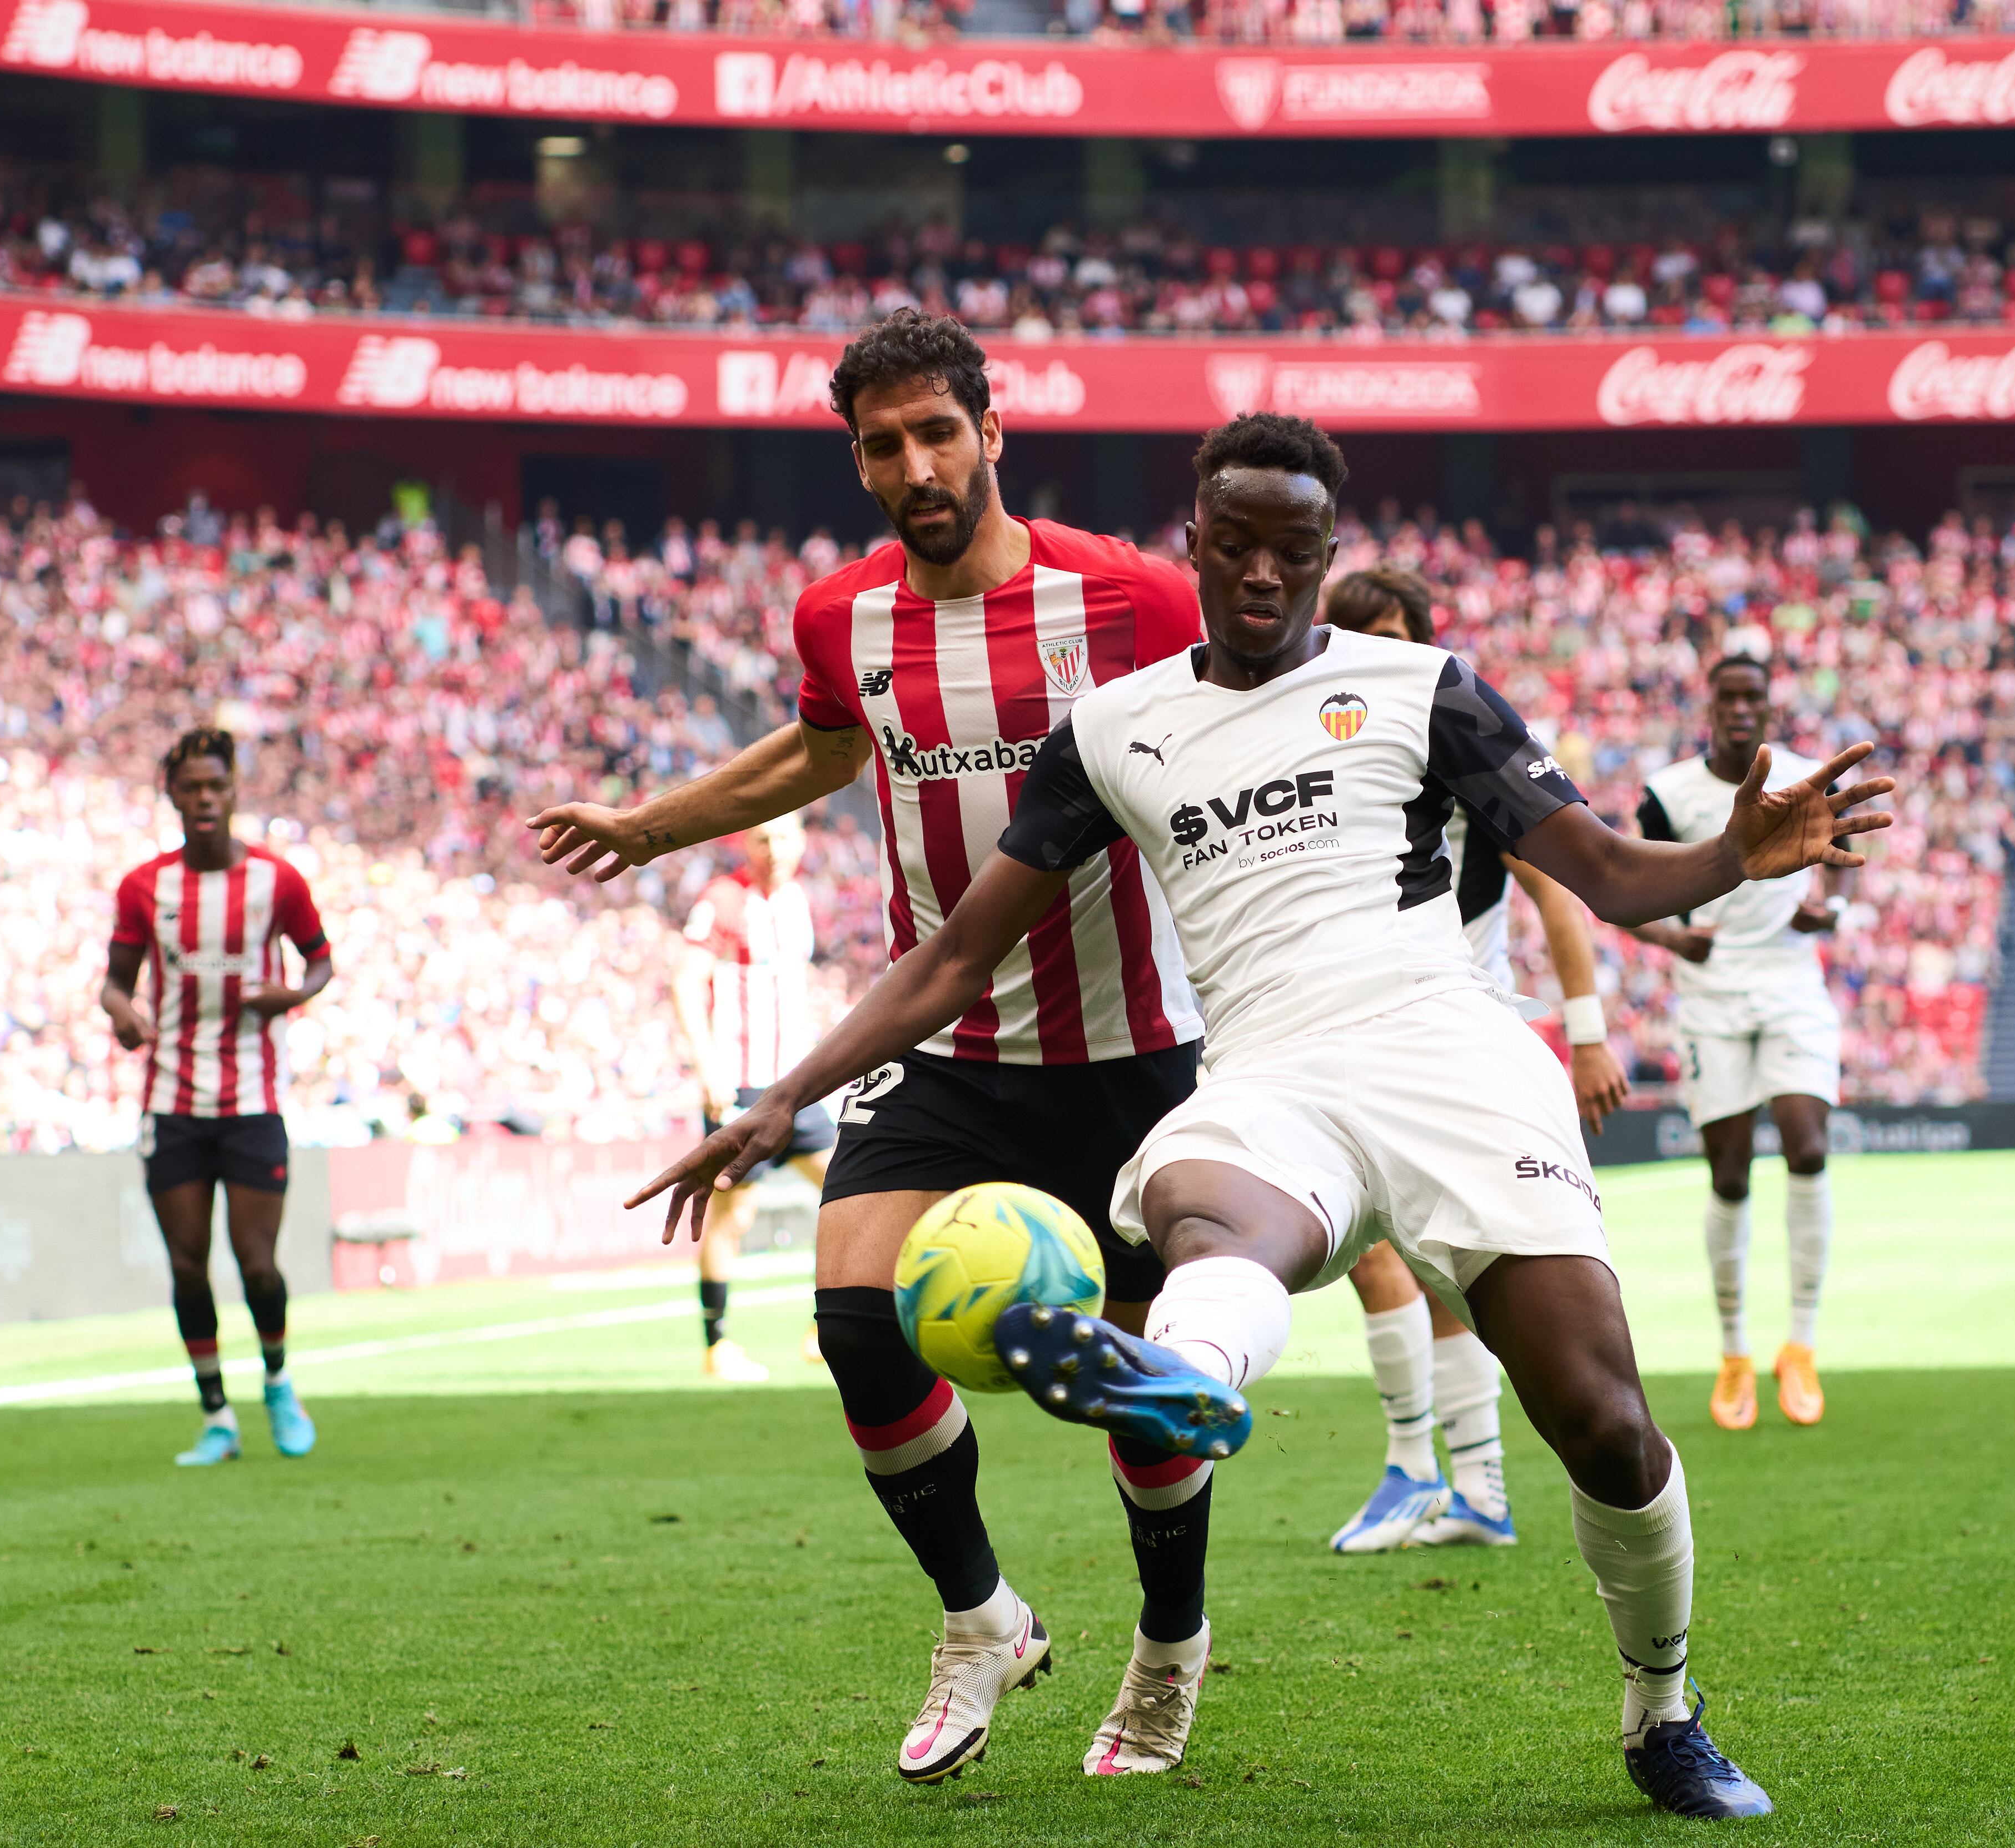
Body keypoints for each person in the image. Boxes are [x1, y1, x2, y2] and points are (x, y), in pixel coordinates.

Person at [646, 414, 1893, 1815]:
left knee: (1601, 1419)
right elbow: (949, 957)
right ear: (1194, 543)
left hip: (1448, 1058)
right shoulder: (1117, 726)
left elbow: (1603, 873)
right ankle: (1183, 1380)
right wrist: (779, 1103)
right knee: (1204, 1216)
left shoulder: (1428, 689)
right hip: (1264, 1070)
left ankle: (1662, 1705)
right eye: (1231, 544)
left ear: (1327, 557)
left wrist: (1733, 849)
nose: (1258, 572)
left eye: (1289, 551)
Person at [524, 311, 1215, 1786]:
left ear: (992, 432)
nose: (916, 463)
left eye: (938, 433)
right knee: (855, 1324)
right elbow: (823, 751)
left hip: (1135, 1046)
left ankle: (1168, 1646)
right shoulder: (842, 615)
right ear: (859, 460)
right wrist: (650, 825)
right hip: (946, 1038)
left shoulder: (1133, 600)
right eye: (884, 443)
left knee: (1141, 1389)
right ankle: (982, 1617)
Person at [1314, 568, 1628, 1554]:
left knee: (1420, 1259)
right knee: (1412, 1258)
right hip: (1356, 1029)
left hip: (1458, 1035)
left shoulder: (1455, 741)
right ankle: (1468, 1484)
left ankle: (1429, 1471)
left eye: (1398, 633)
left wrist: (1585, 1031)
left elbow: (1557, 888)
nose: (1381, 649)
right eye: (1361, 633)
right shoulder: (1324, 754)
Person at [101, 728, 332, 1468]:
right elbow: (115, 981)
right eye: (190, 787)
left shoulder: (278, 881)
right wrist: (123, 1013)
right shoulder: (144, 887)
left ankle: (277, 1380)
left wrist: (293, 994)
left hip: (254, 1101)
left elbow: (322, 962)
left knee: (257, 1264)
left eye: (216, 787)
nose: (204, 799)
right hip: (172, 1102)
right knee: (189, 1265)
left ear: (235, 793)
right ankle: (216, 1413)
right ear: (172, 794)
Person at [1631, 655, 1847, 1432]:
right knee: (1728, 1171)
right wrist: (1673, 940)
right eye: (1728, 696)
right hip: (1713, 991)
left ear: (1769, 705)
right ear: (1710, 706)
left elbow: (1839, 853)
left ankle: (1802, 1344)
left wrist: (1830, 908)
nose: (1740, 707)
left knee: (1808, 1145)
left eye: (1754, 695)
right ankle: (1734, 1352)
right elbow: (1632, 885)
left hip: (1792, 982)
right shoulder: (1670, 791)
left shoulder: (1801, 776)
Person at [671, 813, 837, 1383]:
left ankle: (827, 1327)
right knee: (732, 1215)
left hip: (797, 1084)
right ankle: (716, 1347)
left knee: (848, 1189)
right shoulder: (722, 899)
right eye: (762, 838)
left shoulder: (797, 901)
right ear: (745, 844)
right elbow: (686, 981)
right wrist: (707, 1066)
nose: (773, 849)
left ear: (802, 842)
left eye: (784, 837)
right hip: (739, 1085)